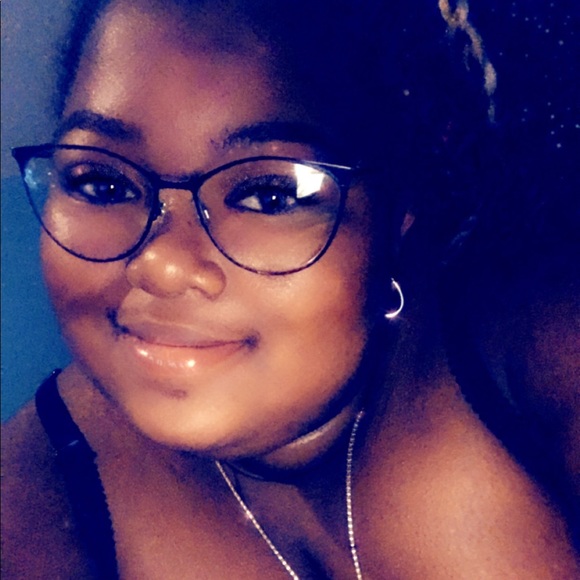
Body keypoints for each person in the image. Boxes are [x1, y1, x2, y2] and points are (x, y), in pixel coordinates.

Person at [2, 0, 578, 577]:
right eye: (102, 183)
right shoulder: (39, 490)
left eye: (269, 196)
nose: (162, 266)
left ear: (401, 202)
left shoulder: (533, 354)